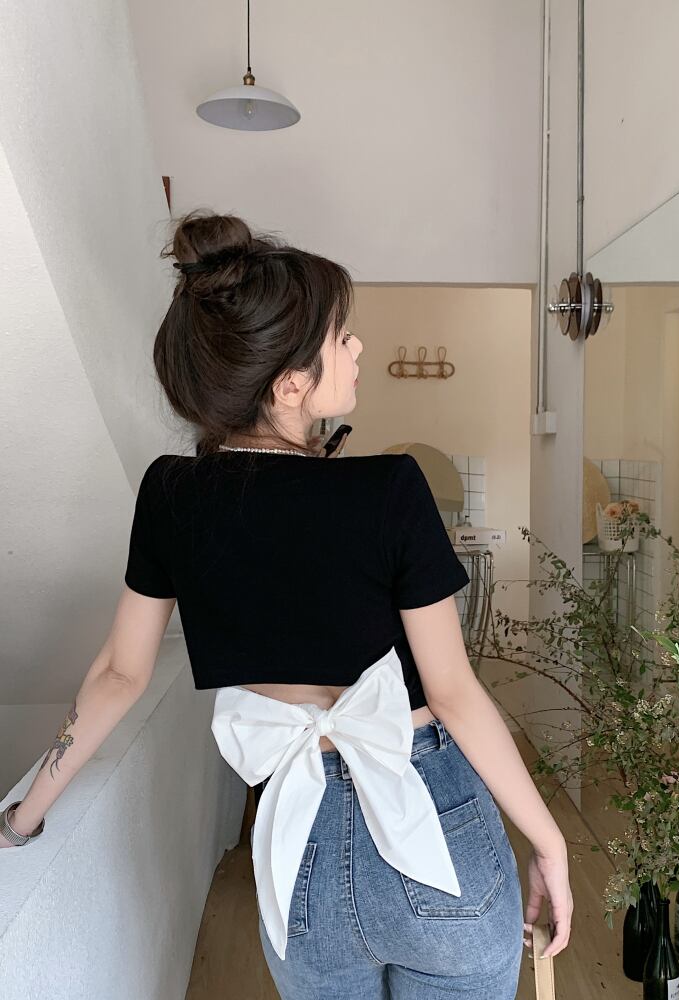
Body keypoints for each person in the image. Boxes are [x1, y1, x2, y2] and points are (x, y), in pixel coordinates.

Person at [0, 210, 573, 998]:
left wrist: (23, 814)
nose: (358, 347)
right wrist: (550, 842)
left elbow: (117, 678)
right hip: (430, 820)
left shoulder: (170, 495)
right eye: (341, 336)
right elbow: (453, 694)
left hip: (300, 848)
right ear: (290, 384)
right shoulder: (389, 488)